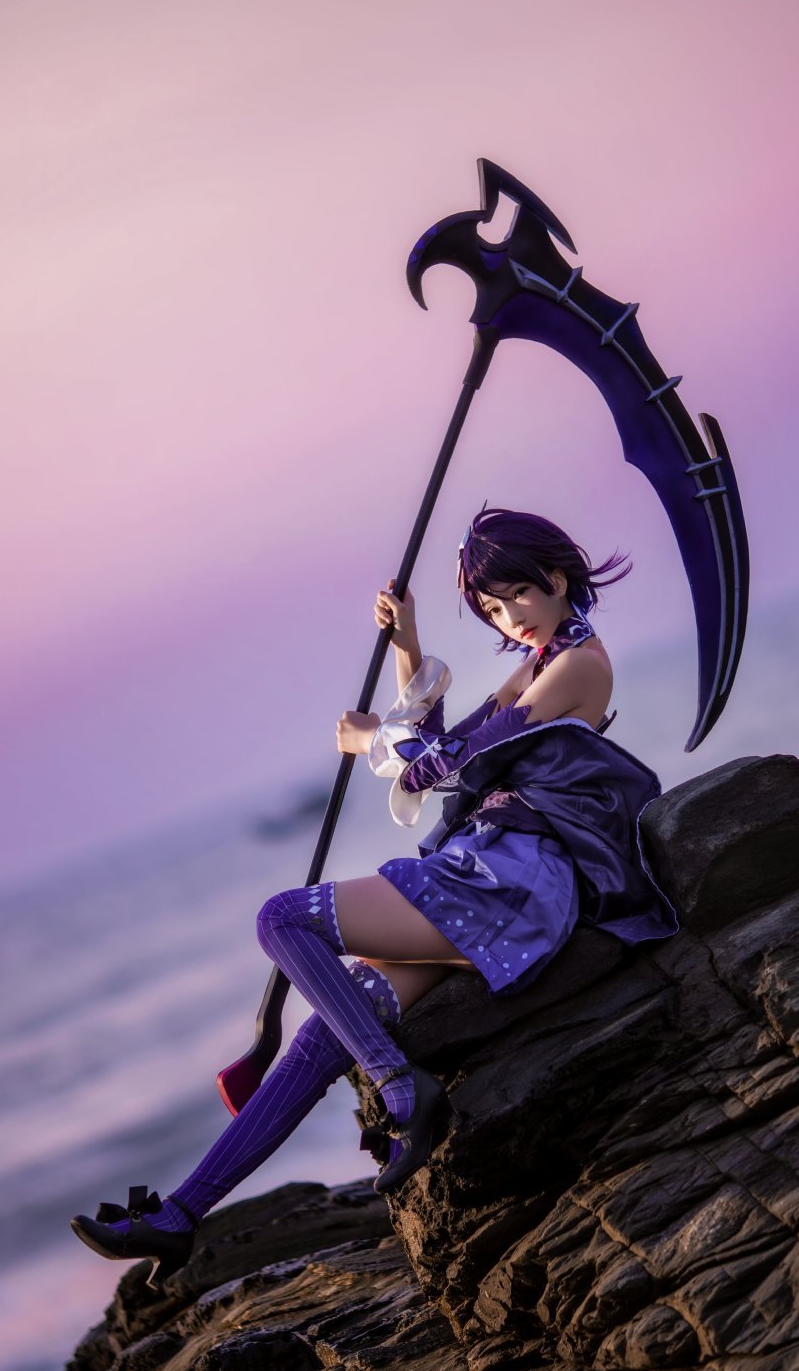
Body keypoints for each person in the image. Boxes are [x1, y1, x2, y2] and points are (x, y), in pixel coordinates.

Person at [70, 507, 677, 1286]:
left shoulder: (580, 665)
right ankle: (181, 1215)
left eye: (517, 595)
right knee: (328, 1031)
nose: (509, 618)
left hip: (515, 882)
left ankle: (397, 1085)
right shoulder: (540, 661)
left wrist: (369, 742)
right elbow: (452, 736)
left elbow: (454, 764)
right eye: (492, 609)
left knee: (282, 917)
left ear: (556, 579)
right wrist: (407, 645)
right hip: (486, 873)